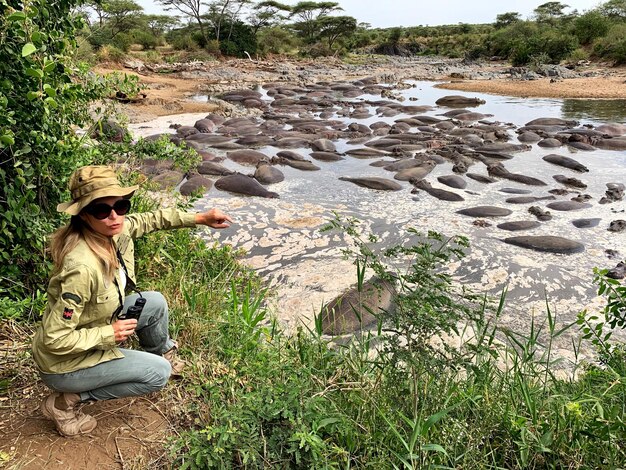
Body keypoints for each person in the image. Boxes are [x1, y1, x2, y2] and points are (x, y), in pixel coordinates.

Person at [32, 165, 233, 437]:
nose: (114, 216)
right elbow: (54, 340)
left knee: (154, 302)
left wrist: (201, 217)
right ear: (83, 214)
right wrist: (108, 333)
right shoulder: (81, 267)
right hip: (64, 365)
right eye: (101, 210)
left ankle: (157, 353)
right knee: (157, 375)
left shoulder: (114, 231)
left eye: (121, 206)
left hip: (98, 320)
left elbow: (152, 219)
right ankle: (64, 402)